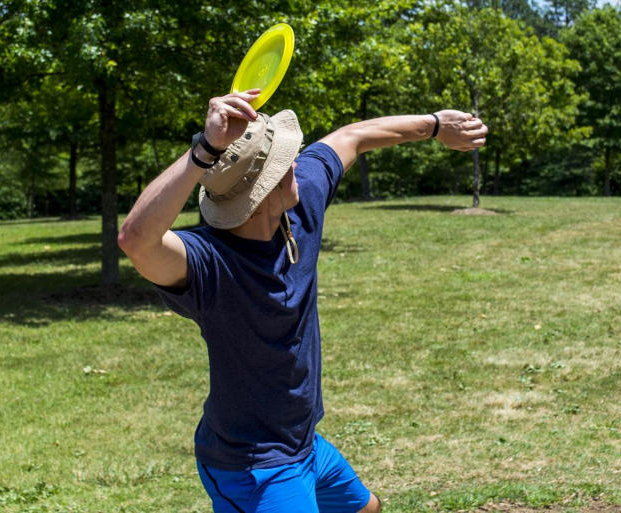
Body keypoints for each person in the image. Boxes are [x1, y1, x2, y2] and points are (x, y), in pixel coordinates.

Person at [118, 88, 488, 513]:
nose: (296, 164)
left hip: (304, 444)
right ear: (259, 195)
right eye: (282, 164)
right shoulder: (209, 263)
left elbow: (352, 137)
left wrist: (436, 126)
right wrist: (205, 149)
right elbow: (135, 239)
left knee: (366, 509)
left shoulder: (298, 204)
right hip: (253, 466)